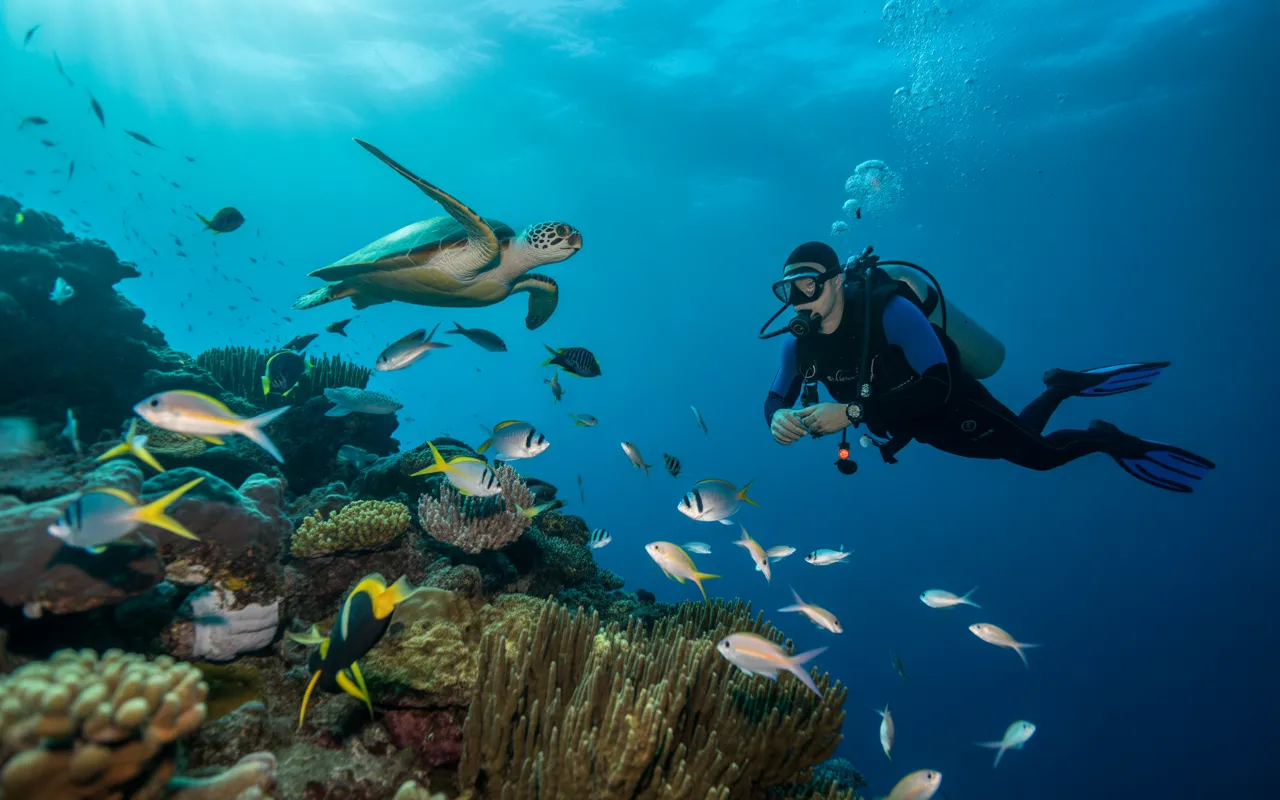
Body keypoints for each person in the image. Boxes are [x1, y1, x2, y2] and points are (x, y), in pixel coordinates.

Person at [763, 242, 1215, 493]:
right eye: (789, 292)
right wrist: (777, 419)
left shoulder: (890, 312)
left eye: (809, 286)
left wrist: (851, 414)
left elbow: (938, 384)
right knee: (1019, 440)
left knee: (1039, 458)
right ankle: (1060, 387)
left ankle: (1106, 439)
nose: (800, 302)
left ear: (837, 280)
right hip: (920, 428)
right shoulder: (798, 347)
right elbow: (775, 397)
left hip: (956, 406)